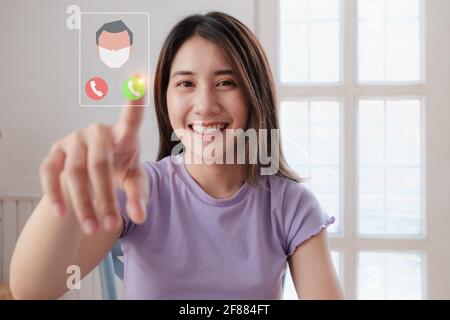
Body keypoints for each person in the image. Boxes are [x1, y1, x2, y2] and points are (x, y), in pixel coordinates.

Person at [9, 11, 345, 300]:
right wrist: (72, 180)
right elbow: (33, 291)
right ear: (164, 99)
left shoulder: (291, 205)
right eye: (186, 84)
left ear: (254, 94)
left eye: (226, 82)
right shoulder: (139, 190)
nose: (205, 105)